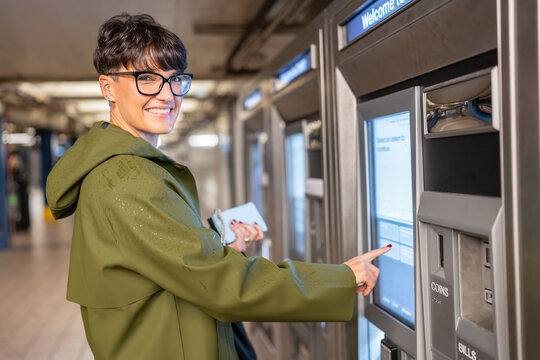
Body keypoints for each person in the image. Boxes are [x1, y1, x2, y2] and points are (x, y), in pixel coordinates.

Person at [46, 13, 391, 360]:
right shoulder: (128, 177)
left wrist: (212, 239)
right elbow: (227, 286)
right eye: (146, 79)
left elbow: (154, 264)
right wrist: (341, 278)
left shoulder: (117, 169)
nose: (167, 95)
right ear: (108, 87)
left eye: (175, 79)